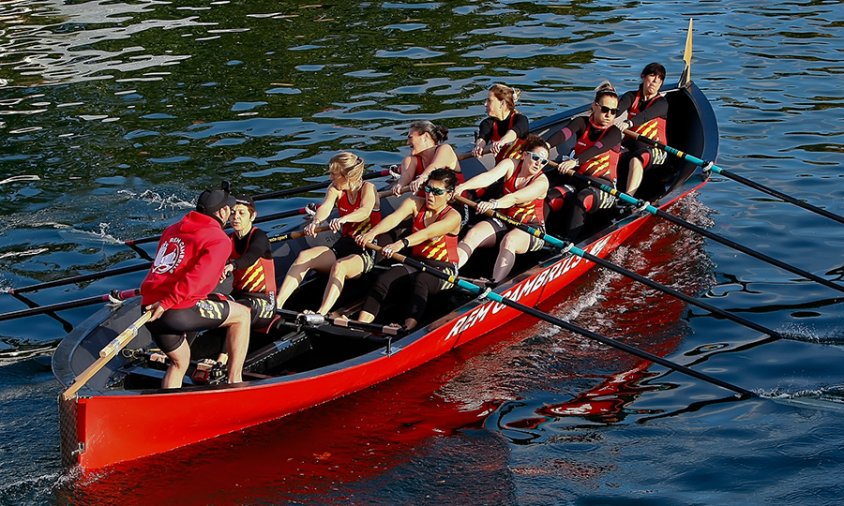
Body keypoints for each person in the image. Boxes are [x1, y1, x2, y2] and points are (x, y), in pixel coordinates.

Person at [141, 186, 251, 388]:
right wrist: (167, 303)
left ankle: (168, 406)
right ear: (222, 212)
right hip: (174, 309)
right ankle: (235, 382)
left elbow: (163, 270)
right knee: (242, 315)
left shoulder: (172, 230)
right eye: (230, 209)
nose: (231, 214)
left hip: (149, 308)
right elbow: (197, 279)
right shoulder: (219, 239)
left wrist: (163, 302)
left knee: (179, 362)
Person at [356, 168, 461, 331]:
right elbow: (394, 218)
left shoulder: (453, 217)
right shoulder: (415, 203)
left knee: (422, 280)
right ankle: (361, 325)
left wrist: (400, 244)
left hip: (444, 268)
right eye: (428, 189)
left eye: (436, 192)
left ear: (449, 194)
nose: (430, 195)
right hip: (416, 261)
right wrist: (372, 233)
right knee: (385, 279)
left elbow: (428, 233)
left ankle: (407, 328)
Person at [275, 152, 381, 315]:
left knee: (340, 266)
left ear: (347, 176)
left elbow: (365, 211)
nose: (330, 177)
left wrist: (344, 219)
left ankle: (321, 313)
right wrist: (316, 221)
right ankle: (277, 304)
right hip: (344, 244)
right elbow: (325, 207)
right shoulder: (335, 189)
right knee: (305, 256)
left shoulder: (368, 188)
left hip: (366, 249)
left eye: (333, 174)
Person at [455, 134, 551, 285]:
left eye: (544, 162)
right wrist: (463, 186)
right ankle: (450, 270)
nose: (539, 163)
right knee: (474, 233)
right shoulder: (510, 164)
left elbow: (515, 198)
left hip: (531, 228)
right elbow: (488, 177)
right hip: (504, 219)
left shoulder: (541, 182)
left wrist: (493, 204)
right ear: (525, 155)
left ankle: (495, 283)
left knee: (509, 241)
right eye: (536, 158)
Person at [545, 81, 623, 241]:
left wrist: (575, 161)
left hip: (604, 188)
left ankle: (568, 245)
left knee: (583, 198)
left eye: (614, 111)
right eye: (605, 109)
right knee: (550, 197)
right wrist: (545, 146)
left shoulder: (614, 133)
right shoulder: (581, 122)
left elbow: (597, 148)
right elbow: (564, 134)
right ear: (594, 106)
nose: (609, 115)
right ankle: (541, 239)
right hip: (578, 181)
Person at [220, 195, 277, 332]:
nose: (235, 217)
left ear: (252, 216)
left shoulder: (259, 237)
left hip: (265, 302)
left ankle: (224, 354)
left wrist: (232, 265)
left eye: (241, 213)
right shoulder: (228, 239)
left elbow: (251, 256)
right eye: (232, 213)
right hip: (240, 296)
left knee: (235, 311)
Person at [615, 62, 669, 196]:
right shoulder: (631, 96)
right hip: (631, 145)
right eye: (652, 75)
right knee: (611, 154)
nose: (656, 81)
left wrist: (628, 123)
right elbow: (615, 111)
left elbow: (645, 116)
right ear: (643, 77)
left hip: (656, 149)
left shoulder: (661, 103)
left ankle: (628, 198)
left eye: (660, 78)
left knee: (637, 158)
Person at [392, 120, 461, 196]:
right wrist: (400, 185)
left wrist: (422, 178)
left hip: (454, 201)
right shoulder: (411, 160)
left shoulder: (445, 149)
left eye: (410, 137)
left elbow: (435, 166)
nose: (407, 143)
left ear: (425, 137)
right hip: (427, 203)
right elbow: (406, 175)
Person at [471, 84, 530, 163]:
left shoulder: (520, 119)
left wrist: (501, 142)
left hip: (523, 166)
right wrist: (479, 147)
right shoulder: (487, 123)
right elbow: (483, 137)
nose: (485, 104)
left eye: (489, 100)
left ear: (502, 103)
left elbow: (514, 132)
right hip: (501, 168)